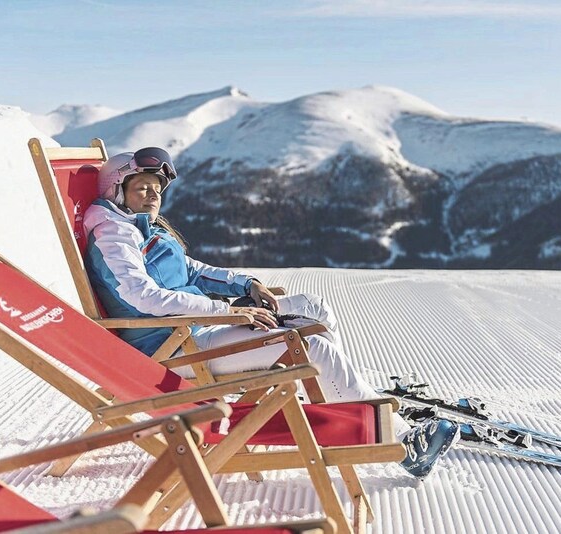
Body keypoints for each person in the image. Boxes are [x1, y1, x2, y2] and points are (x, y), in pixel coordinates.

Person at [83, 147, 459, 478]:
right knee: (312, 349)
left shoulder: (142, 227)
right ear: (117, 190)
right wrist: (227, 312)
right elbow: (143, 297)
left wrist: (245, 286)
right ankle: (402, 445)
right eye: (142, 187)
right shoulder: (114, 236)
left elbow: (191, 270)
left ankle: (340, 395)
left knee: (311, 307)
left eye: (157, 188)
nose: (153, 195)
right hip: (172, 348)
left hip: (197, 328)